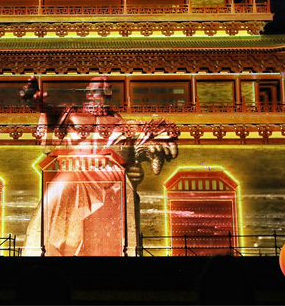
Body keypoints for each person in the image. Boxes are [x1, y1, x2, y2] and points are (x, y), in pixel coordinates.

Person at [21, 76, 178, 256]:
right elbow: (47, 110)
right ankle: (41, 251)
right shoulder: (71, 113)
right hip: (75, 169)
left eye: (106, 88)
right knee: (54, 194)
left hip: (108, 171)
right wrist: (36, 102)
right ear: (88, 92)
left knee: (125, 190)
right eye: (97, 88)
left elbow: (129, 151)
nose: (102, 90)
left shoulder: (118, 120)